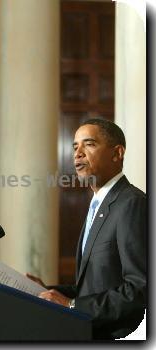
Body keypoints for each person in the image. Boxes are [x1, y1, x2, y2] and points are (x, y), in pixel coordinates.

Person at [27, 118, 146, 340]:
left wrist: (72, 305)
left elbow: (139, 290)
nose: (78, 153)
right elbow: (95, 286)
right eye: (75, 146)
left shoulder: (131, 203)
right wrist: (49, 291)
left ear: (117, 153)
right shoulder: (97, 205)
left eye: (89, 144)